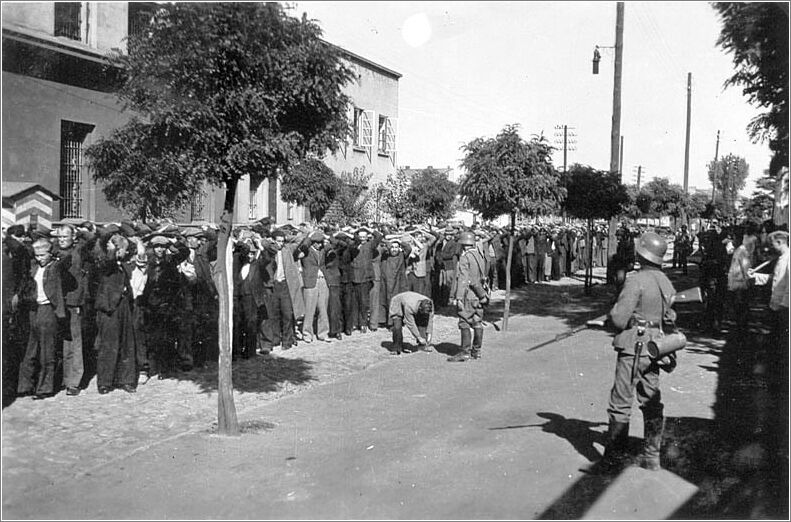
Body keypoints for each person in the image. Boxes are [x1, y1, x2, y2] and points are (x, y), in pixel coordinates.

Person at [591, 231, 677, 474]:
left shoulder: (635, 280)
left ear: (642, 254)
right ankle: (652, 457)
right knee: (651, 400)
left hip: (633, 347)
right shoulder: (665, 281)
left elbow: (619, 319)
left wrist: (610, 319)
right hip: (656, 348)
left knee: (620, 402)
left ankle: (613, 461)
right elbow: (671, 316)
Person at [17, 237, 70, 400]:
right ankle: (25, 386)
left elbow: (67, 257)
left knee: (47, 352)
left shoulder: (55, 267)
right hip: (33, 310)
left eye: (42, 255)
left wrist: (53, 250)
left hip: (48, 310)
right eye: (37, 255)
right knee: (30, 350)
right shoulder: (33, 266)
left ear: (50, 253)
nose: (39, 258)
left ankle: (45, 388)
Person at [448, 230, 488, 362]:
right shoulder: (479, 255)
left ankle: (465, 352)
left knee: (464, 322)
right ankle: (477, 351)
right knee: (477, 322)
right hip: (478, 294)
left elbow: (464, 279)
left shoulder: (465, 257)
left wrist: (458, 297)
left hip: (468, 295)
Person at [749, 230, 789, 350]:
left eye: (772, 244)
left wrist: (784, 305)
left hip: (783, 308)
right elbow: (775, 279)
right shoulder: (781, 258)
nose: (770, 247)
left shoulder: (788, 259)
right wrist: (755, 277)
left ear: (779, 242)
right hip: (776, 306)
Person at [388, 291, 434, 355]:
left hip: (411, 301)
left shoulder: (430, 304)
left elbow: (430, 320)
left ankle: (422, 346)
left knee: (423, 322)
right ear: (420, 308)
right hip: (397, 303)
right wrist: (418, 337)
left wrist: (429, 334)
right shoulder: (410, 306)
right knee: (397, 326)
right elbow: (410, 324)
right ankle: (396, 348)